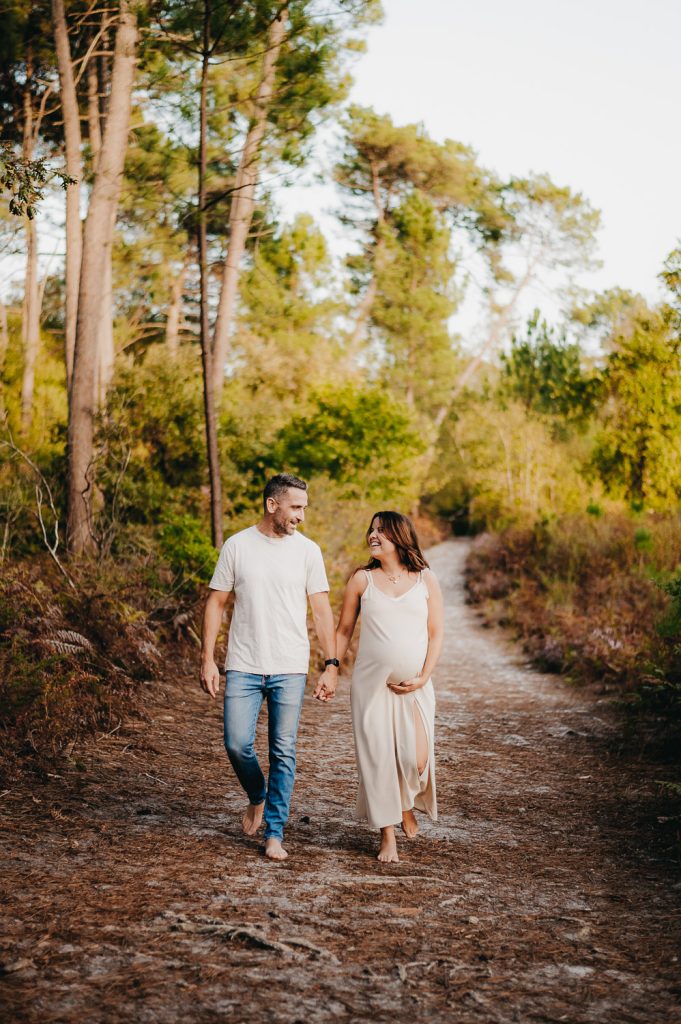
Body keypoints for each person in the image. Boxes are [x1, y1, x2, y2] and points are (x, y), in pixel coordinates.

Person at [200, 473, 339, 862]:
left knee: (283, 750)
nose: (301, 517)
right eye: (296, 508)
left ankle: (275, 833)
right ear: (272, 505)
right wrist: (208, 658)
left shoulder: (308, 552)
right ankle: (257, 795)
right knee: (236, 743)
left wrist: (331, 664)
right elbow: (216, 603)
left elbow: (322, 609)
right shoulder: (237, 546)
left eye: (304, 509)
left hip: (290, 667)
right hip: (243, 663)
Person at [315, 511, 444, 863]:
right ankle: (388, 836)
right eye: (371, 530)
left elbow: (436, 634)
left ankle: (405, 804)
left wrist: (424, 676)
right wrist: (331, 670)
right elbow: (343, 632)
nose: (373, 536)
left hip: (414, 687)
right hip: (370, 686)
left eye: (381, 532)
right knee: (378, 761)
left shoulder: (425, 579)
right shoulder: (362, 580)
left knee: (415, 760)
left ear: (399, 537)